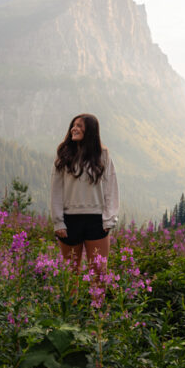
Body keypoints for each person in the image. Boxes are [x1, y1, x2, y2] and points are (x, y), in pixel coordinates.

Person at [50, 113, 119, 273]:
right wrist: (58, 221)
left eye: (79, 126)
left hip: (97, 221)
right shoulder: (63, 156)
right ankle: (72, 300)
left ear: (90, 130)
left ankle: (97, 300)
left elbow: (111, 188)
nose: (74, 128)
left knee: (99, 272)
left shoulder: (103, 155)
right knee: (70, 275)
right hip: (69, 221)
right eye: (73, 125)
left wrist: (109, 219)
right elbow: (56, 190)